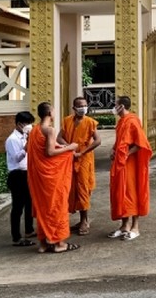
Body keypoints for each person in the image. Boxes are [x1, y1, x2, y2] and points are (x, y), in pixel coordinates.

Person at [26, 102, 80, 253]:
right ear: (49, 113)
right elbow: (49, 152)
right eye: (54, 110)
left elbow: (28, 148)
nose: (55, 112)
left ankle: (43, 244)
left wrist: (64, 148)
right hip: (51, 178)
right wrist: (70, 148)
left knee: (43, 208)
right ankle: (59, 244)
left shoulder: (35, 130)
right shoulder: (49, 130)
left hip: (39, 177)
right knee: (56, 206)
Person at [107, 95, 152, 241]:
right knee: (121, 192)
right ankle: (124, 226)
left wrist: (127, 154)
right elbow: (120, 142)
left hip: (130, 164)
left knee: (131, 192)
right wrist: (114, 151)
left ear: (122, 106)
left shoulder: (132, 121)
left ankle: (135, 227)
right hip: (120, 163)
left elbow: (140, 144)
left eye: (116, 104)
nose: (114, 107)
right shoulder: (121, 122)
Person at [58, 96, 101, 236]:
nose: (83, 108)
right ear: (74, 108)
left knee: (83, 189)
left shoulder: (90, 122)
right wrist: (69, 148)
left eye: (85, 105)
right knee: (70, 189)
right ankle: (76, 219)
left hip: (84, 160)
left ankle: (84, 220)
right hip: (70, 158)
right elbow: (59, 137)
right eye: (80, 106)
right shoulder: (67, 120)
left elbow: (97, 141)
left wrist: (82, 152)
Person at [5, 111, 36, 247]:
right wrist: (26, 146)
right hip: (17, 174)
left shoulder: (25, 136)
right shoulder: (12, 139)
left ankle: (29, 230)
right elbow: (17, 158)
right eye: (27, 123)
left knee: (30, 203)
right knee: (18, 207)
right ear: (19, 124)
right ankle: (16, 237)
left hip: (27, 173)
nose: (29, 126)